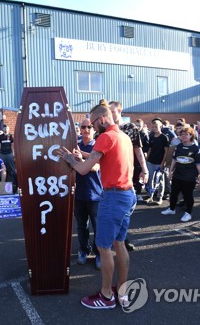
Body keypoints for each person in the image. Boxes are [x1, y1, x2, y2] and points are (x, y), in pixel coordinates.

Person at [57, 104, 135, 309]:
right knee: (119, 243)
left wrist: (68, 159)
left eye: (91, 124)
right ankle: (121, 291)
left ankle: (106, 295)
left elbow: (83, 170)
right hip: (127, 194)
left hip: (113, 197)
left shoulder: (105, 137)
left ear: (100, 120)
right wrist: (81, 157)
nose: (89, 128)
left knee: (104, 246)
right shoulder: (124, 136)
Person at [109, 101, 148, 251]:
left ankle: (122, 238)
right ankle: (113, 238)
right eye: (109, 112)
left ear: (120, 111)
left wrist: (145, 169)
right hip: (109, 174)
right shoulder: (106, 129)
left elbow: (138, 150)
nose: (111, 114)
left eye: (113, 111)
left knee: (124, 209)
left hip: (126, 173)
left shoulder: (129, 128)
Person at [74, 118, 102, 269]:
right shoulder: (74, 145)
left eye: (89, 126)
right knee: (81, 226)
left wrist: (80, 157)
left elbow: (96, 167)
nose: (86, 129)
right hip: (78, 194)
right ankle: (84, 250)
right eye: (83, 126)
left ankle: (99, 253)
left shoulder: (98, 146)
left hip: (95, 193)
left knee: (97, 226)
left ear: (94, 129)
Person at [161, 126, 200, 222]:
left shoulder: (196, 148)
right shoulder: (179, 146)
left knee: (188, 195)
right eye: (182, 134)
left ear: (191, 135)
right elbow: (174, 159)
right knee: (174, 193)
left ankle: (188, 213)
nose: (184, 136)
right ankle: (172, 209)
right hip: (177, 174)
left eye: (186, 134)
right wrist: (171, 172)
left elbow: (199, 163)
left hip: (189, 176)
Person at [146, 118, 170, 204]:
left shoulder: (164, 138)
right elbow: (150, 149)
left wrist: (163, 163)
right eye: (153, 126)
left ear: (160, 126)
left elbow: (166, 151)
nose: (154, 128)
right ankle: (150, 196)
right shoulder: (151, 136)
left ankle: (159, 198)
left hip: (159, 163)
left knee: (160, 181)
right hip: (150, 162)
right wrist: (146, 160)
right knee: (150, 180)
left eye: (156, 126)